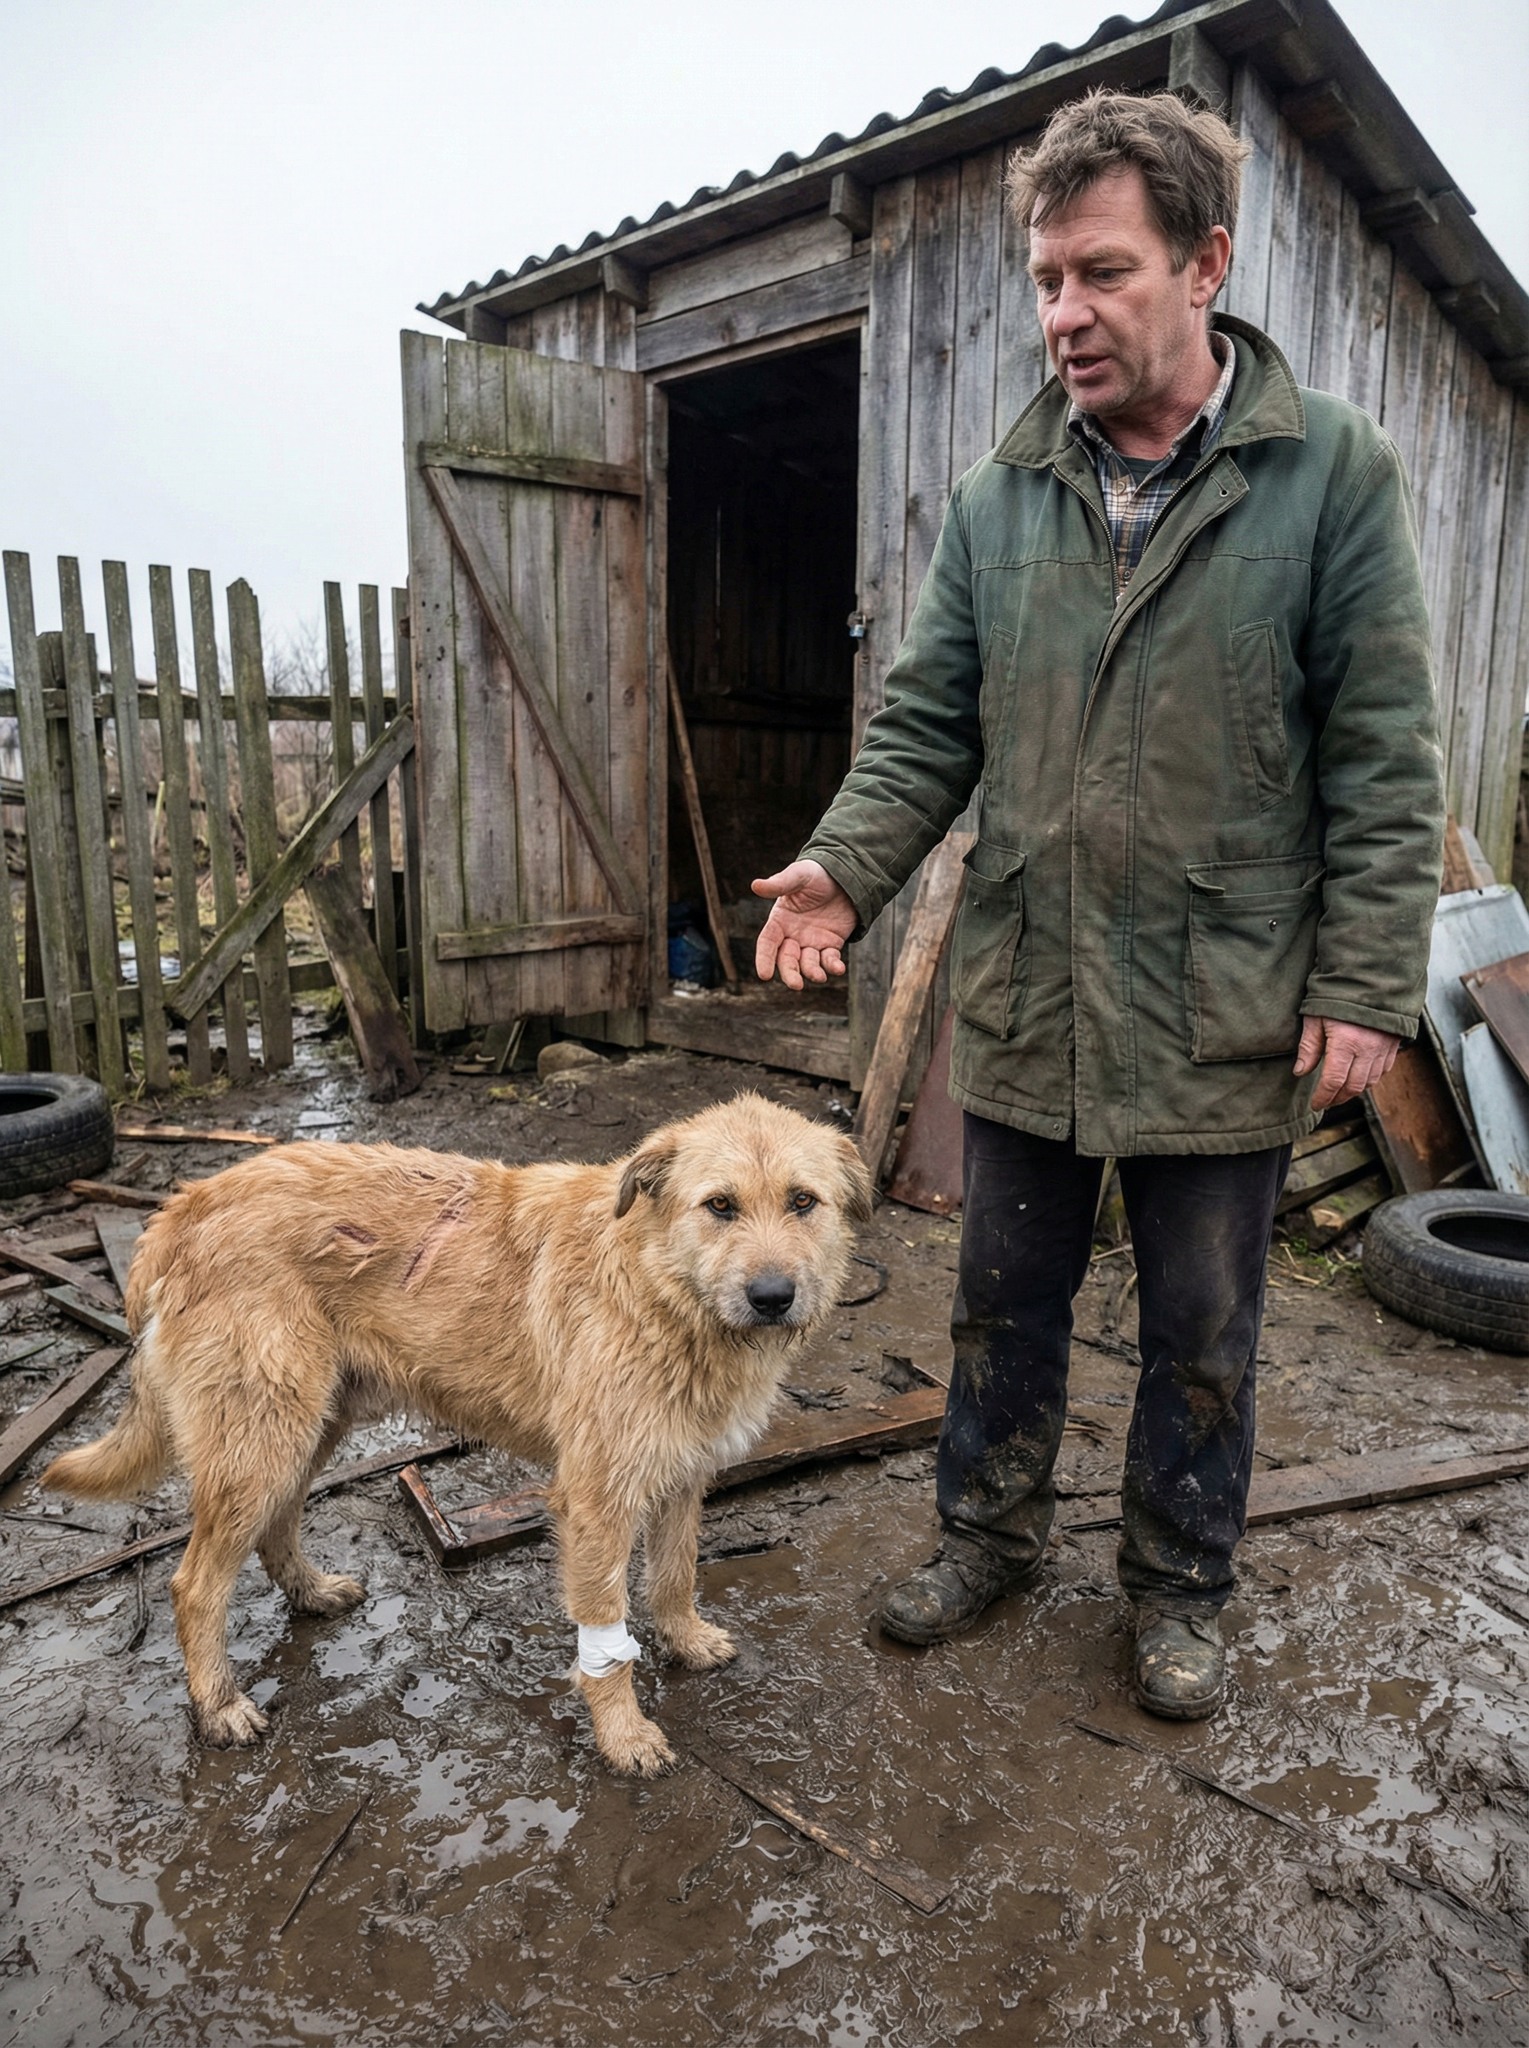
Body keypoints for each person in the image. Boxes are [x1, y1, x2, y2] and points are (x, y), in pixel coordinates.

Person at [752, 89, 1443, 1722]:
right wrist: (841, 862)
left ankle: (1176, 1583)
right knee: (998, 1299)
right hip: (1036, 987)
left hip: (1225, 995)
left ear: (1203, 265)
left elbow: (1382, 746)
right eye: (1045, 278)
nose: (1062, 313)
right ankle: (984, 1538)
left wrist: (1362, 978)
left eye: (1101, 273)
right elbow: (928, 719)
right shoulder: (1004, 497)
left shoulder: (1325, 470)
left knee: (1203, 1327)